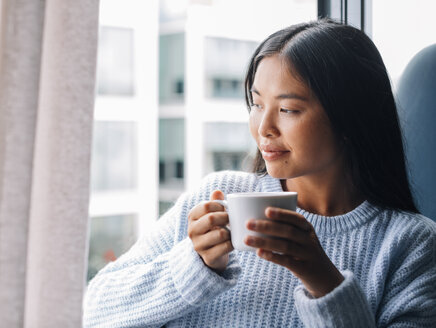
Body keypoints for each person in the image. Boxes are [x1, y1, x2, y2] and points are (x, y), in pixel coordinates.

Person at [83, 19, 436, 327]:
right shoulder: (218, 196)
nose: (263, 127)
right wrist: (195, 266)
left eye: (287, 109)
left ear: (350, 118)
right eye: (256, 104)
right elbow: (94, 311)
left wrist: (324, 282)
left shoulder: (411, 244)